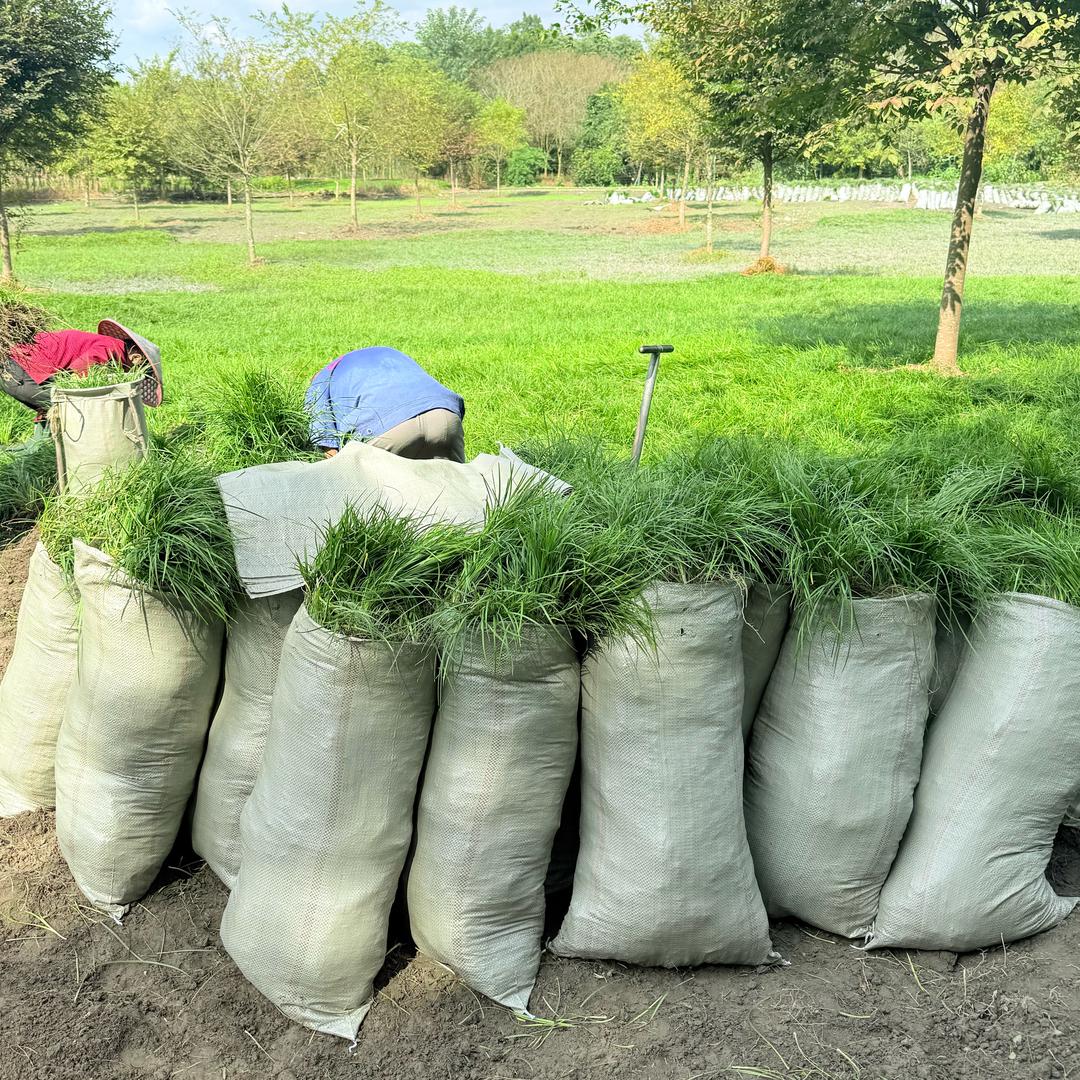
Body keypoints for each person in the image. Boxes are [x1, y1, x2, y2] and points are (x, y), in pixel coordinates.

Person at [306, 346, 465, 463]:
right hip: (445, 415)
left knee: (372, 501)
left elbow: (325, 442)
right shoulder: (387, 352)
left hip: (387, 430)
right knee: (454, 490)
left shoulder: (320, 381)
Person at [0, 320, 164, 432]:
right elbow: (78, 372)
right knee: (74, 412)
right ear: (136, 358)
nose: (125, 371)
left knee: (56, 409)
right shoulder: (113, 347)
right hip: (20, 369)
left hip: (15, 367)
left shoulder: (105, 343)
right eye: (132, 369)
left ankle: (47, 456)